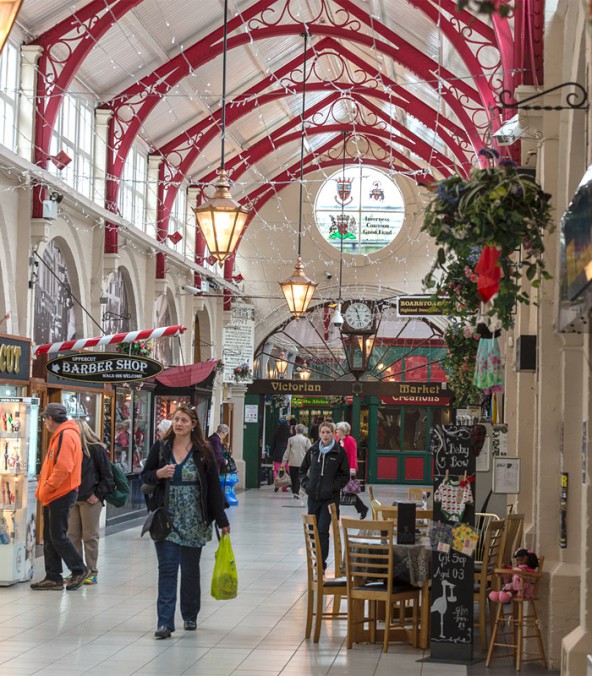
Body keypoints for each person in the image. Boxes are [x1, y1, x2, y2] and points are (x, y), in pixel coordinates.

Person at [141, 404, 230, 639]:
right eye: (176, 419)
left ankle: (190, 615)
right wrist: (159, 474)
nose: (178, 424)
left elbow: (212, 489)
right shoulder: (161, 448)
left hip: (195, 520)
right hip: (167, 519)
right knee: (167, 570)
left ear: (193, 425)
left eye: (183, 420)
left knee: (190, 571)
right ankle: (164, 623)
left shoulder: (203, 452)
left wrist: (221, 520)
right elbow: (146, 475)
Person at [31, 403, 89, 591]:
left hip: (61, 493)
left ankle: (79, 569)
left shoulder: (66, 435)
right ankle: (53, 576)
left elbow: (63, 467)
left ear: (50, 419)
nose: (44, 423)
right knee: (50, 536)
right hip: (56, 493)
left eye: (45, 419)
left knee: (57, 536)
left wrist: (48, 487)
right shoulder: (62, 434)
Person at [66, 419, 115, 586]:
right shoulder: (71, 449)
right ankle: (77, 570)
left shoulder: (96, 450)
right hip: (73, 499)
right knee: (72, 536)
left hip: (90, 500)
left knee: (90, 536)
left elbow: (108, 477)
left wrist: (98, 495)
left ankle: (92, 570)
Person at [299, 421, 350, 569]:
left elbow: (344, 475)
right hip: (313, 497)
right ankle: (318, 556)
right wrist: (306, 485)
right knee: (312, 529)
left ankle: (321, 562)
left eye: (328, 432)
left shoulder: (339, 452)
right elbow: (302, 470)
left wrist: (333, 488)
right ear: (319, 434)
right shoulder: (313, 450)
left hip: (329, 499)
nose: (325, 435)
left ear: (333, 433)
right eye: (323, 432)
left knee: (322, 530)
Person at [335, 422, 368, 519]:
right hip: (337, 469)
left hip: (347, 468)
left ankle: (362, 508)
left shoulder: (351, 440)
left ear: (343, 431)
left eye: (338, 429)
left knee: (349, 491)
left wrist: (353, 468)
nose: (336, 431)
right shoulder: (337, 439)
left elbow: (353, 455)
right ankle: (336, 513)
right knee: (336, 491)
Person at [281, 424, 311, 499]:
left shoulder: (291, 439)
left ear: (295, 430)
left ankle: (295, 491)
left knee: (293, 478)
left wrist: (283, 463)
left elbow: (287, 451)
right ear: (303, 430)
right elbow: (310, 452)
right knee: (299, 477)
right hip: (302, 462)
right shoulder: (306, 440)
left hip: (292, 462)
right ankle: (296, 491)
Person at [270, 418, 291, 492]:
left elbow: (272, 445)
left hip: (277, 454)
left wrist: (271, 453)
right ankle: (284, 487)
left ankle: (277, 484)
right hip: (286, 455)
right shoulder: (289, 435)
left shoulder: (276, 434)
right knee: (285, 470)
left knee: (277, 470)